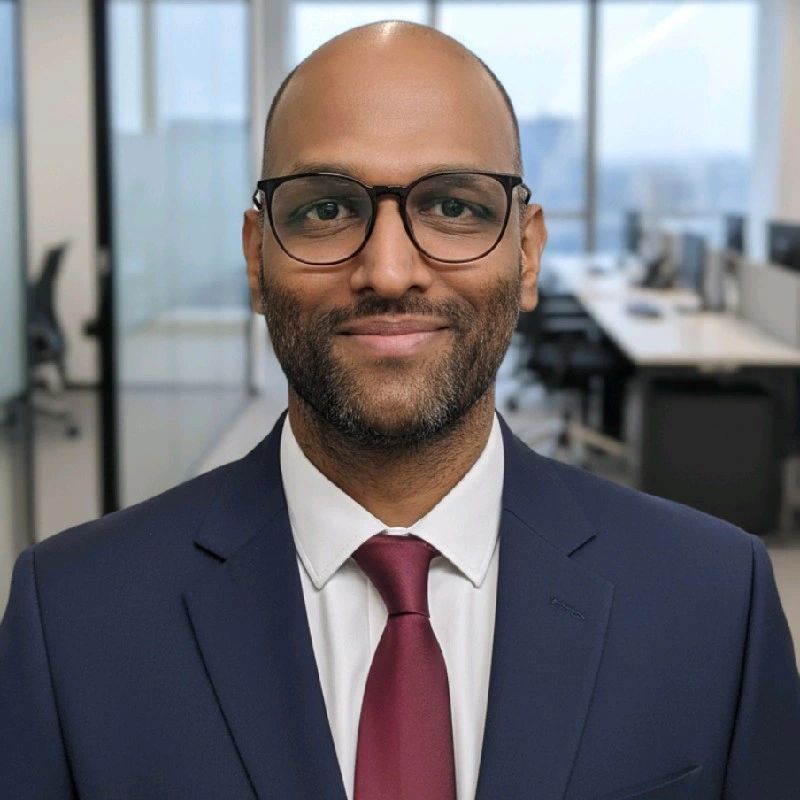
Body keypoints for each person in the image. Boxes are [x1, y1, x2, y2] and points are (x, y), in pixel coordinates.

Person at [1, 20, 799, 800]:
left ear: (526, 255)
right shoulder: (71, 619)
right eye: (324, 209)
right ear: (255, 257)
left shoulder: (715, 600)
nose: (388, 271)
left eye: (454, 207)